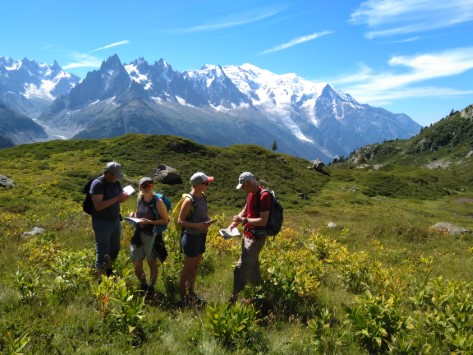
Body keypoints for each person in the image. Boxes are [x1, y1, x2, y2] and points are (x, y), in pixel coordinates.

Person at [228, 172, 271, 303]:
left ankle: (234, 298)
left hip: (256, 238)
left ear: (249, 183)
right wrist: (233, 224)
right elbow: (245, 211)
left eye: (243, 186)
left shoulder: (264, 196)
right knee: (253, 267)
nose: (242, 189)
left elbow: (263, 221)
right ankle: (260, 295)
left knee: (240, 268)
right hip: (247, 235)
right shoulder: (251, 194)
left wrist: (244, 219)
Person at [177, 172, 214, 306]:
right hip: (191, 237)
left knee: (195, 266)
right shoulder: (188, 200)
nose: (208, 185)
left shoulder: (203, 196)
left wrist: (207, 221)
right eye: (206, 183)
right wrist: (197, 225)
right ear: (198, 185)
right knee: (188, 267)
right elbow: (180, 221)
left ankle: (191, 293)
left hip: (201, 235)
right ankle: (182, 298)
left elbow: (203, 214)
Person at [129, 177, 168, 298]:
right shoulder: (140, 198)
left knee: (152, 262)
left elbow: (165, 220)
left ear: (152, 186)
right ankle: (143, 284)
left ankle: (150, 287)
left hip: (152, 235)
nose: (146, 188)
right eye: (143, 186)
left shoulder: (158, 201)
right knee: (136, 262)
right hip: (139, 233)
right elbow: (139, 212)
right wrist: (134, 215)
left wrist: (149, 222)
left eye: (149, 185)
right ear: (140, 187)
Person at [90, 161, 130, 280]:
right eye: (115, 176)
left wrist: (122, 198)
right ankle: (100, 279)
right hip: (102, 222)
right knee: (102, 251)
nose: (117, 178)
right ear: (108, 174)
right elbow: (98, 206)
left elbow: (118, 198)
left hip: (115, 220)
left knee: (114, 249)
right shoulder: (97, 184)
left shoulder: (115, 182)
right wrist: (117, 198)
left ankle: (108, 271)